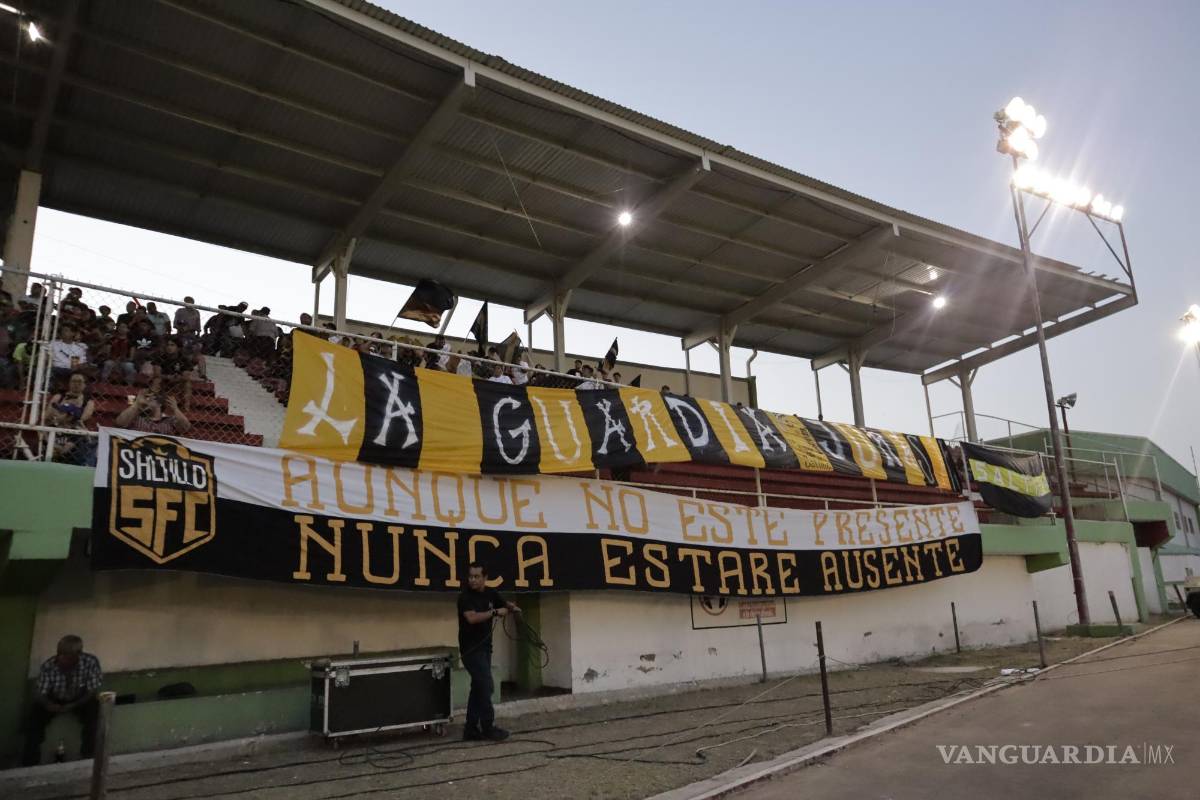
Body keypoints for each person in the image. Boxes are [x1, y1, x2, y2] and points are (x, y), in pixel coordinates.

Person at [457, 563, 519, 742]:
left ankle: (470, 729)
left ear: (485, 578)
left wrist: (510, 607)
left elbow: (503, 604)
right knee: (486, 685)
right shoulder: (465, 597)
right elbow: (472, 618)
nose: (473, 580)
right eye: (470, 576)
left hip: (485, 648)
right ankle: (488, 727)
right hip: (471, 649)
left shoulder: (491, 593)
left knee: (478, 687)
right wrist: (494, 612)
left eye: (477, 576)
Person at [22, 635, 103, 766]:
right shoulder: (49, 666)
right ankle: (29, 763)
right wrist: (49, 704)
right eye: (59, 653)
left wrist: (74, 704)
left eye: (67, 655)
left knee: (95, 713)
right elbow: (40, 692)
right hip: (55, 699)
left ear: (78, 654)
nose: (61, 658)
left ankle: (89, 758)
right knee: (34, 718)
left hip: (80, 699)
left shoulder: (90, 662)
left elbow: (91, 690)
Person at [115, 385, 191, 434]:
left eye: (149, 398)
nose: (146, 401)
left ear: (159, 403)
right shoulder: (137, 418)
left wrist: (175, 409)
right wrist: (137, 404)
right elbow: (120, 423)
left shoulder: (169, 421)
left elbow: (186, 427)